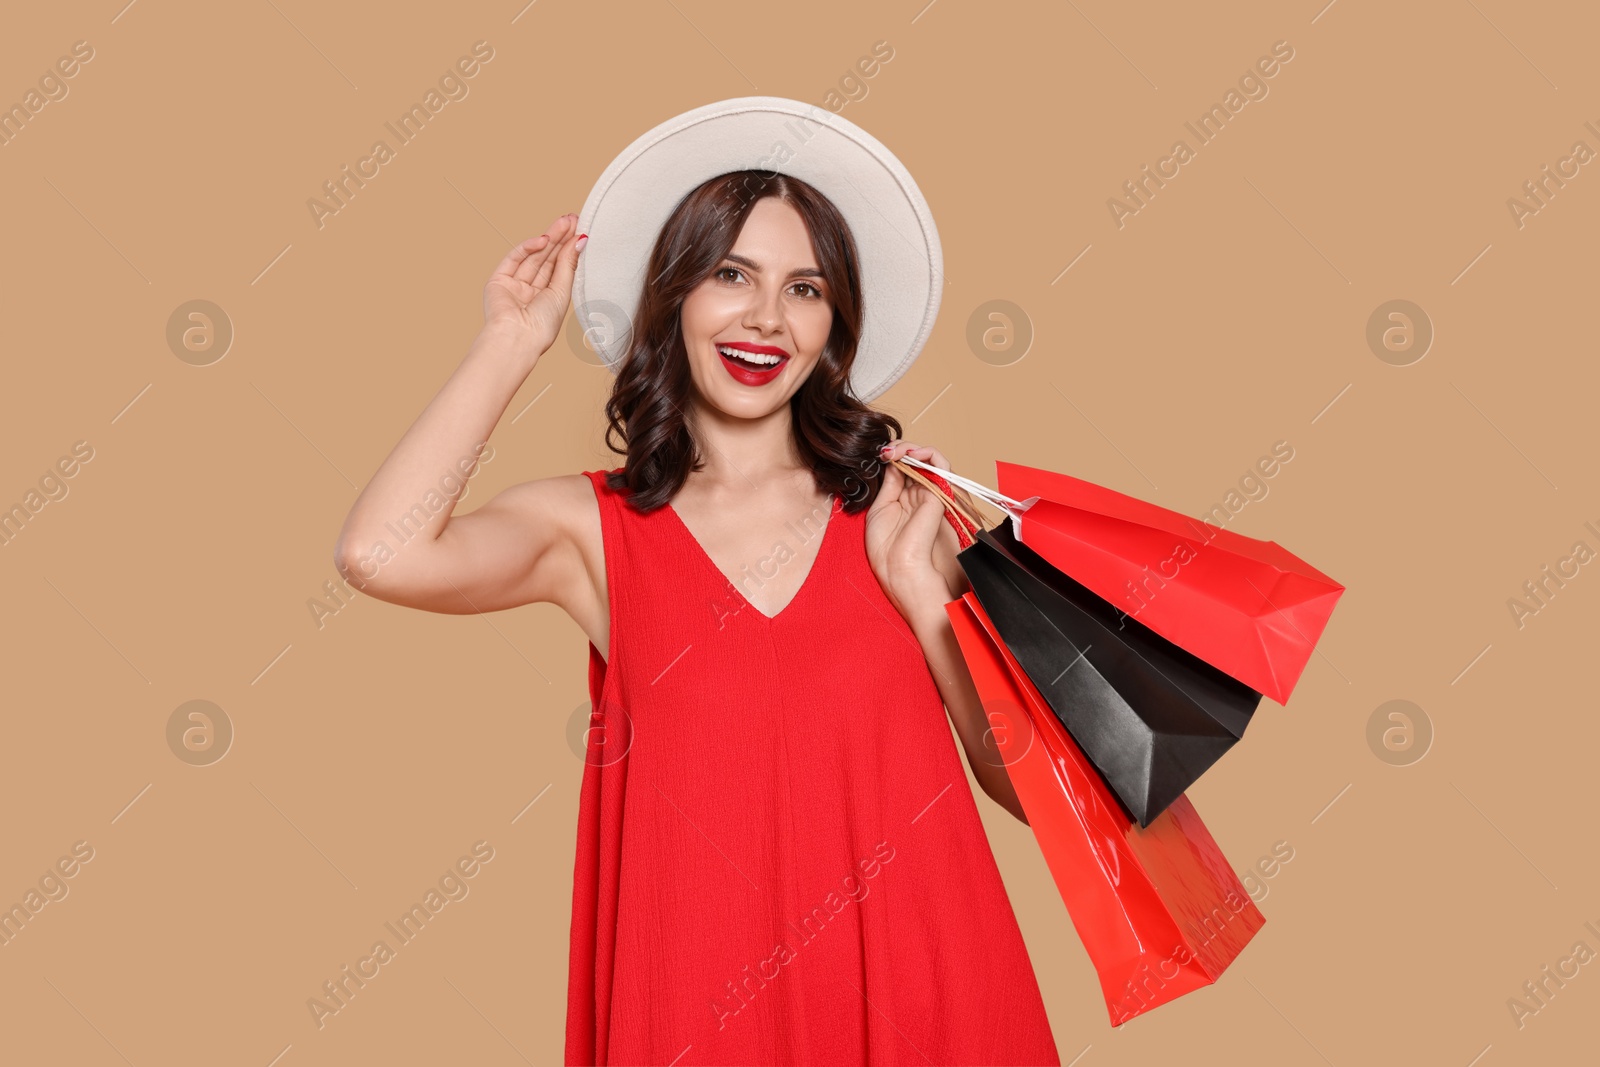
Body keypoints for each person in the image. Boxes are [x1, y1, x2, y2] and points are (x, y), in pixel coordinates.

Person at [334, 98, 1059, 1067]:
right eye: (730, 275)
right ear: (671, 295)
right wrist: (511, 339)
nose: (765, 316)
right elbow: (377, 554)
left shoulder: (904, 515)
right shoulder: (591, 529)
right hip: (697, 1018)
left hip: (924, 1009)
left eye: (805, 289)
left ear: (833, 324)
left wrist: (927, 603)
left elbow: (1037, 796)